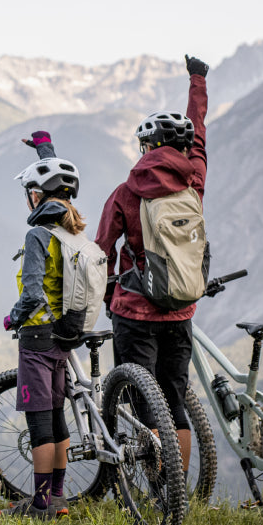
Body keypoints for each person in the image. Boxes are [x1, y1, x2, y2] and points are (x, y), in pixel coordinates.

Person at [94, 55, 209, 473]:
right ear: (180, 147)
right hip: (181, 307)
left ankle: (163, 492)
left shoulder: (127, 191)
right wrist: (198, 81)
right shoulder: (194, 180)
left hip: (135, 311)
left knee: (145, 401)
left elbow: (102, 250)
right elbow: (200, 135)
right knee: (174, 399)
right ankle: (179, 489)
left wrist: (108, 293)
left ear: (146, 148)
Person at [2, 131, 86, 520]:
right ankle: (58, 497)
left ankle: (39, 505)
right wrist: (44, 148)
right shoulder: (70, 233)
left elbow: (33, 295)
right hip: (64, 338)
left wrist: (12, 318)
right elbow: (57, 184)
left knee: (40, 424)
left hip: (36, 338)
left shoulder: (37, 234)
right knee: (56, 416)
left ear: (35, 196)